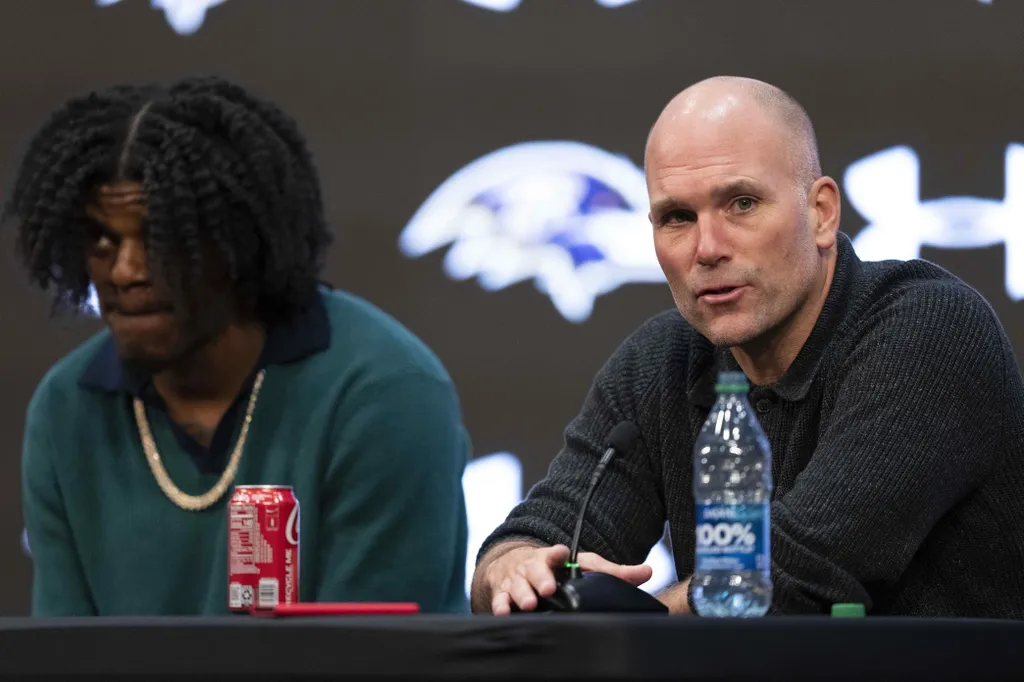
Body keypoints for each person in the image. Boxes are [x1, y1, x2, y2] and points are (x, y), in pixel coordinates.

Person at [472, 75, 1024, 617]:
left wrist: (636, 626)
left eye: (741, 204)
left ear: (821, 212)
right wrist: (514, 571)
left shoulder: (930, 328)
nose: (706, 248)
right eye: (677, 218)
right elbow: (539, 537)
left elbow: (801, 576)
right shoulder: (660, 360)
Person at [7, 75, 470, 615]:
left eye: (160, 238)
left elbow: (375, 658)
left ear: (238, 243)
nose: (126, 270)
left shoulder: (385, 393)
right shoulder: (67, 407)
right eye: (102, 241)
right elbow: (67, 659)